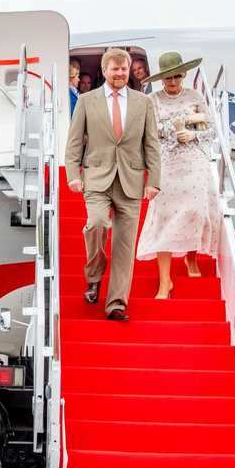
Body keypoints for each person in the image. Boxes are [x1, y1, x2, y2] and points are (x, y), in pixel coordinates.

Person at [65, 48, 160, 320]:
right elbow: (74, 141)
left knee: (124, 246)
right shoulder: (86, 101)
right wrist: (73, 173)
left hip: (131, 179)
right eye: (114, 69)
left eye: (123, 69)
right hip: (97, 177)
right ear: (104, 71)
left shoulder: (143, 103)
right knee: (96, 223)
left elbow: (151, 143)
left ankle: (116, 303)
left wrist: (153, 180)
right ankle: (94, 274)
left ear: (128, 71)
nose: (119, 73)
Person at [136, 51, 220, 298]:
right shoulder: (152, 100)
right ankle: (165, 282)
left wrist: (193, 134)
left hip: (193, 159)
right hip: (166, 161)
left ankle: (191, 258)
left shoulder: (195, 96)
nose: (172, 82)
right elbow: (147, 132)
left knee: (195, 210)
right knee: (164, 216)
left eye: (176, 77)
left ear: (183, 75)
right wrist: (172, 131)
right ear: (162, 79)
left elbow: (212, 129)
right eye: (167, 78)